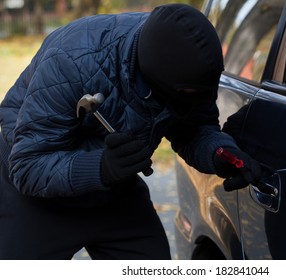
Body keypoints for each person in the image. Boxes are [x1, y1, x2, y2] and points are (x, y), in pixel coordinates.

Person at [0, 4, 262, 260]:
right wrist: (101, 168)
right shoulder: (71, 60)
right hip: (35, 189)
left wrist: (219, 154)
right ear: (151, 80)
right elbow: (27, 166)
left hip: (115, 188)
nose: (193, 102)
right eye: (185, 96)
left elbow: (193, 129)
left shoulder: (190, 69)